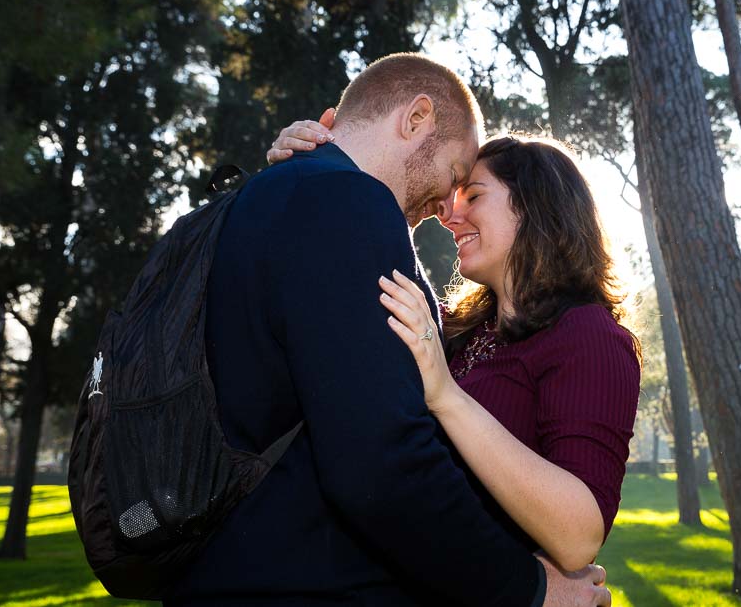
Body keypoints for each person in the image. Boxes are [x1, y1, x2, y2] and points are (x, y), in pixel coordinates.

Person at [165, 53, 611, 607]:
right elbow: (380, 466)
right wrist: (530, 589)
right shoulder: (348, 202)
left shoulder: (271, 194)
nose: (447, 209)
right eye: (456, 178)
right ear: (416, 117)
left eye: (472, 194)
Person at [268, 124, 641, 573]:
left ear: (535, 205)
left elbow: (579, 536)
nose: (449, 217)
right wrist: (309, 165)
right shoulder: (451, 325)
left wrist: (447, 397)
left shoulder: (590, 336)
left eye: (475, 196)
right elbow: (341, 282)